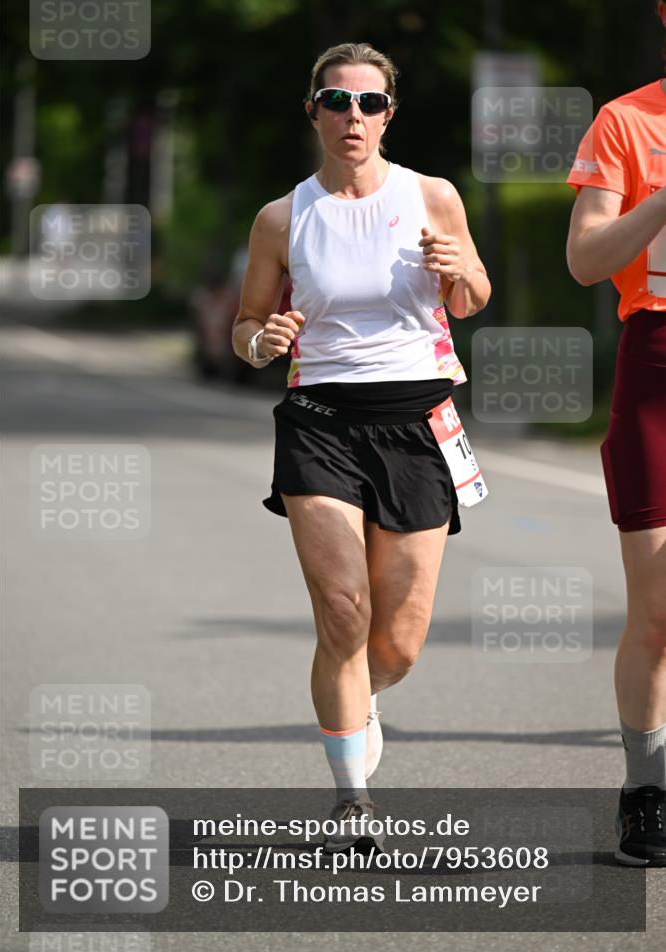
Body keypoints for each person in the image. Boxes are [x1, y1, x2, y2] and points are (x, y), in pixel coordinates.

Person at [232, 42, 490, 851]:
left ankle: (357, 697)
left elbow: (476, 295)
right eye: (336, 101)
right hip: (318, 422)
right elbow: (244, 326)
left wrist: (457, 272)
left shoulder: (432, 196)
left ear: (388, 114)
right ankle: (351, 801)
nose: (354, 117)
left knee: (398, 643)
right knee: (342, 613)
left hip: (417, 422)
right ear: (312, 111)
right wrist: (258, 342)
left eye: (369, 103)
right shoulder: (283, 217)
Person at [566, 0, 666, 867]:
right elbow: (585, 259)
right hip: (658, 364)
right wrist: (662, 199)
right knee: (657, 613)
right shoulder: (625, 123)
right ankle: (645, 796)